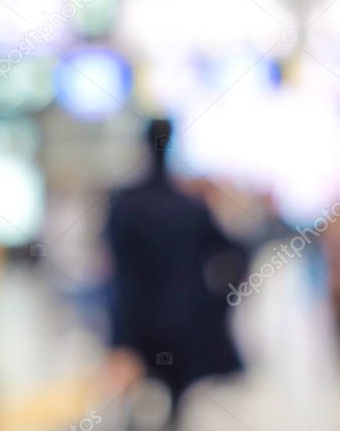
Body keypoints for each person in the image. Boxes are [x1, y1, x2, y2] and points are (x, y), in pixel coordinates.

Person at [104, 119, 246, 428]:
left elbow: (108, 271)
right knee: (175, 408)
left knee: (133, 407)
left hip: (133, 324)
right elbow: (236, 254)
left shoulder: (123, 206)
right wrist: (216, 305)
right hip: (182, 326)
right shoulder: (189, 208)